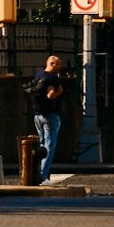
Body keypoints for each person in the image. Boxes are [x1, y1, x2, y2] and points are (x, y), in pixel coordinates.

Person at [26, 54, 71, 186]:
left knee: (42, 146)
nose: (60, 67)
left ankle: (37, 173)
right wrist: (59, 92)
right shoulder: (52, 78)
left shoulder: (39, 75)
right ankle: (43, 176)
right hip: (50, 116)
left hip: (37, 116)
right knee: (49, 146)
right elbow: (50, 95)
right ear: (52, 64)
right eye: (58, 64)